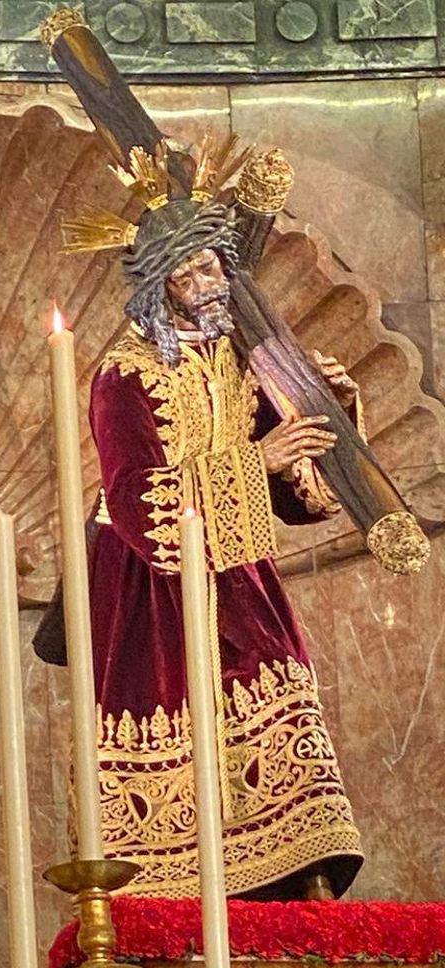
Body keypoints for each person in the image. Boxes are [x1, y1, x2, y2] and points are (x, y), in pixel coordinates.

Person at [83, 197, 364, 899]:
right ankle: (183, 897)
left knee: (282, 686)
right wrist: (255, 462)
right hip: (153, 586)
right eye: (187, 274)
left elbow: (299, 493)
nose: (206, 284)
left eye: (211, 266)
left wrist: (331, 410)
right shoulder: (123, 376)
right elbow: (134, 500)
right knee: (180, 726)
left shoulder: (241, 359)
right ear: (158, 288)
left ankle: (304, 885)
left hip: (240, 568)